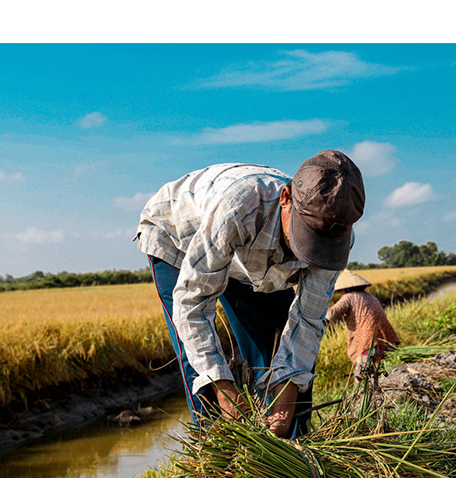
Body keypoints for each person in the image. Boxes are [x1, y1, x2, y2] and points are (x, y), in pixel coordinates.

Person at [136, 152, 367, 440]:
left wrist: (287, 393)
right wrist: (223, 386)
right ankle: (217, 459)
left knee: (277, 354)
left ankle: (292, 455)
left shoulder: (337, 237)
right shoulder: (238, 208)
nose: (306, 254)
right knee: (200, 363)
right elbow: (192, 305)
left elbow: (308, 320)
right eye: (306, 238)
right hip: (178, 237)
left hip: (248, 256)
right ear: (286, 199)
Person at [325, 272, 402, 406]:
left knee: (360, 379)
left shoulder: (348, 297)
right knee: (374, 374)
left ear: (345, 288)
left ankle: (357, 404)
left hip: (367, 344)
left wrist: (319, 303)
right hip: (383, 341)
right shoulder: (370, 296)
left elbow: (331, 315)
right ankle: (373, 400)